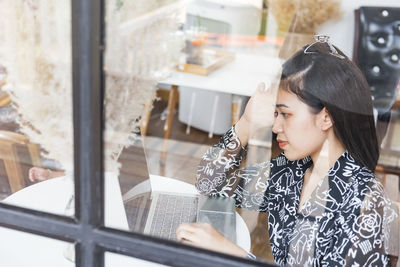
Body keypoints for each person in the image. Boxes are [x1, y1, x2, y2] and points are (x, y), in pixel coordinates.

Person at [176, 36, 397, 266]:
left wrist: (232, 254)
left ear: (326, 117)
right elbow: (209, 184)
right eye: (275, 113)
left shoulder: (364, 203)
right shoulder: (289, 174)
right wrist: (246, 124)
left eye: (286, 114)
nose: (275, 127)